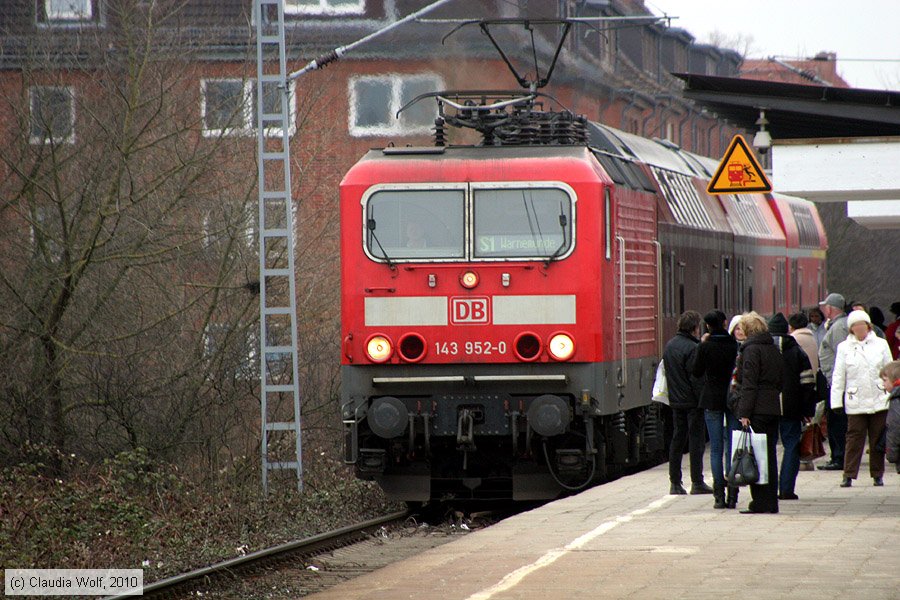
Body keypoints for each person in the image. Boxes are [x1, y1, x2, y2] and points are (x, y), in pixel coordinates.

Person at [831, 310, 893, 487]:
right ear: (851, 329)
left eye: (862, 324)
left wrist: (893, 394)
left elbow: (890, 370)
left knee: (877, 438)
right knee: (854, 438)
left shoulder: (880, 344)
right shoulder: (844, 347)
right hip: (855, 399)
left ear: (868, 326)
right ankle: (848, 474)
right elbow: (839, 376)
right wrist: (836, 401)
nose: (859, 328)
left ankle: (877, 474)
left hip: (879, 399)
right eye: (855, 325)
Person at [735, 312, 784, 514]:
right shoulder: (772, 348)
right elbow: (781, 379)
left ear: (748, 330)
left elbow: (749, 383)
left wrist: (744, 412)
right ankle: (771, 500)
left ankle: (760, 501)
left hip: (757, 409)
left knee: (757, 456)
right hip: (772, 407)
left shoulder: (751, 350)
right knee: (769, 456)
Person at [692, 311, 739, 508]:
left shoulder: (706, 346)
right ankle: (732, 494)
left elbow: (696, 371)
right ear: (725, 323)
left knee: (716, 449)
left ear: (707, 326)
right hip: (732, 398)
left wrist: (703, 345)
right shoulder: (733, 345)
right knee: (732, 447)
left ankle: (718, 495)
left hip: (711, 398)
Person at [663, 310, 712, 496]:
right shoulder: (693, 348)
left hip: (676, 400)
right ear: (694, 328)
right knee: (696, 441)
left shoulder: (670, 346)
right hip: (692, 402)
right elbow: (696, 378)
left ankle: (675, 482)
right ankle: (697, 482)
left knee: (677, 440)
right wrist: (703, 399)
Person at [769, 313, 816, 500]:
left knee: (768, 447)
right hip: (792, 406)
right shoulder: (796, 351)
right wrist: (807, 410)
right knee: (791, 446)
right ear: (787, 330)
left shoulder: (762, 349)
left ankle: (769, 488)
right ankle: (786, 489)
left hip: (768, 407)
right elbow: (807, 382)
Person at [817, 293, 849, 471]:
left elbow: (840, 356)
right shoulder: (837, 325)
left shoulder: (838, 328)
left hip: (836, 382)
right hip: (834, 380)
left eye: (825, 306)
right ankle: (837, 456)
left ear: (830, 308)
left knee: (836, 421)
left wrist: (834, 378)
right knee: (834, 421)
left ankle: (838, 457)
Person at [789, 312, 820, 471]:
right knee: (809, 423)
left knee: (800, 427)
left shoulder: (794, 340)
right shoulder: (812, 338)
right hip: (812, 382)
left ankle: (803, 458)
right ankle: (808, 458)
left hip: (800, 385)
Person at [724, 313, 748, 508]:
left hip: (747, 405)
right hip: (733, 405)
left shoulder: (751, 349)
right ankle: (732, 489)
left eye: (743, 329)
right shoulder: (728, 349)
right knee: (732, 447)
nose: (740, 332)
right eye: (737, 329)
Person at [881, 360, 900, 473]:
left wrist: (891, 453)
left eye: (885, 380)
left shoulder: (896, 400)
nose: (883, 384)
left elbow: (895, 427)